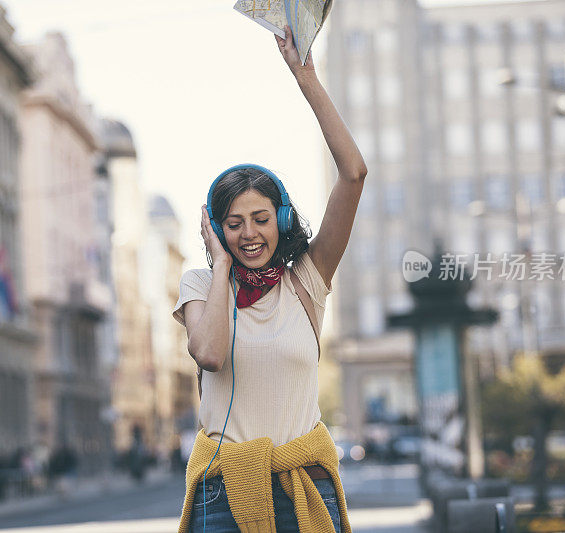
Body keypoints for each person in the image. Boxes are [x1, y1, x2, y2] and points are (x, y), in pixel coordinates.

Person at [171, 26, 366, 533]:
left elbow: (353, 174)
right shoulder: (200, 284)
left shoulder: (308, 278)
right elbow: (210, 354)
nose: (249, 235)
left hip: (305, 482)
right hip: (225, 489)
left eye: (260, 219)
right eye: (233, 224)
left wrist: (307, 79)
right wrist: (220, 267)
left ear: (280, 220)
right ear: (217, 230)